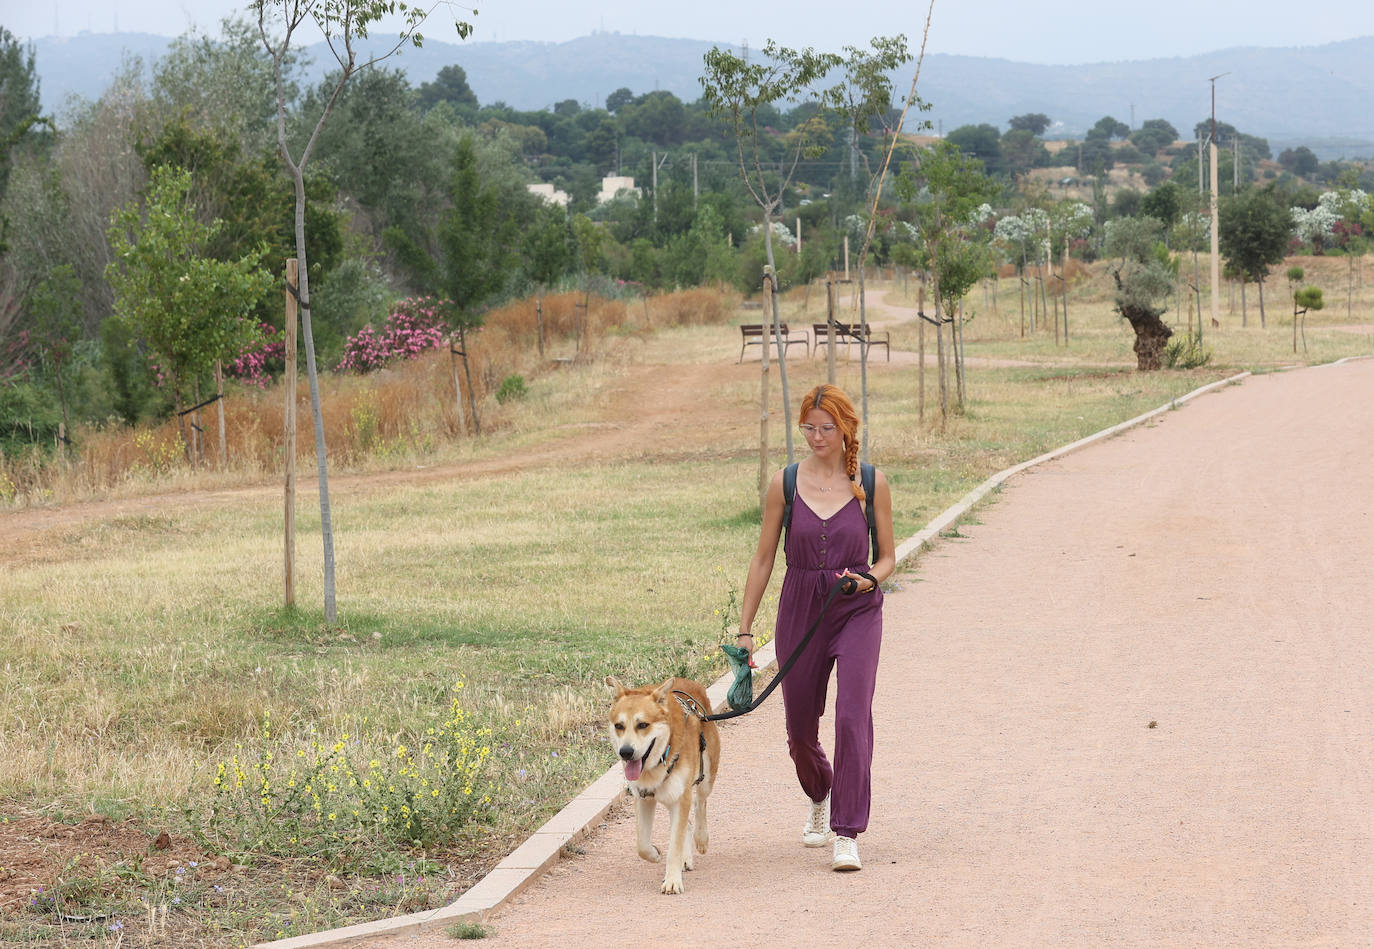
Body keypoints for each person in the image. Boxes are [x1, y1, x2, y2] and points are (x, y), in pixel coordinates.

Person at [736, 383, 895, 872]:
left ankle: (847, 832)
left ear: (847, 428)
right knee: (800, 731)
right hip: (800, 607)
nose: (817, 436)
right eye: (809, 427)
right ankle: (820, 793)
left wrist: (868, 578)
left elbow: (888, 558)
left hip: (856, 609)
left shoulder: (871, 482)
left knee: (852, 716)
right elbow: (764, 559)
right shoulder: (784, 482)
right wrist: (745, 630)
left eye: (827, 428)